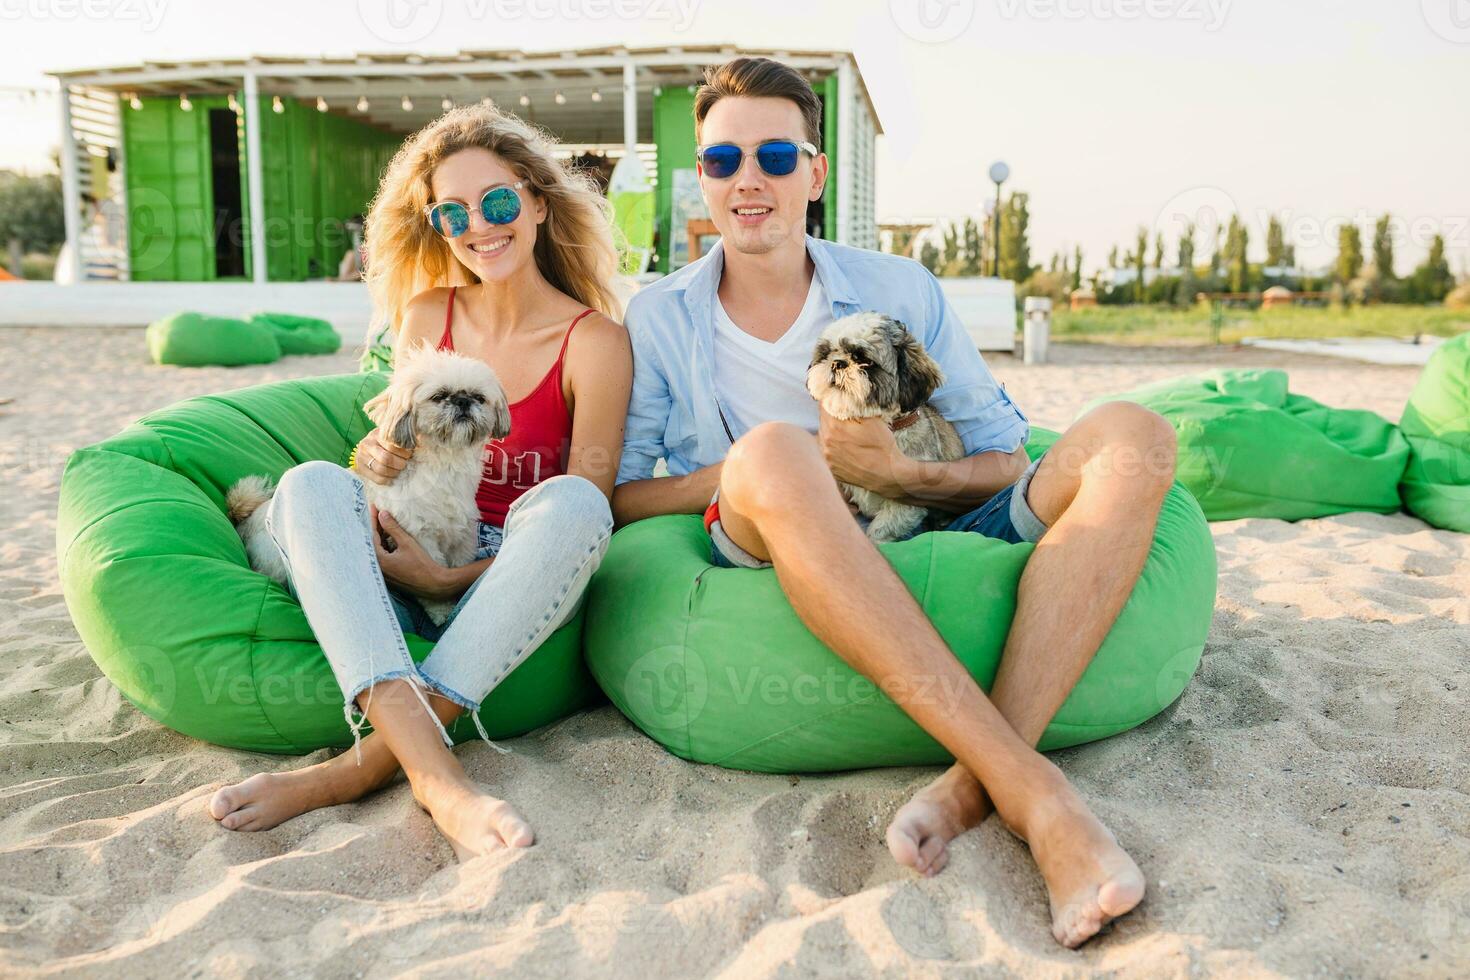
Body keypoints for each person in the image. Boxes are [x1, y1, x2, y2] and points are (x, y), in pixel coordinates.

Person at [611, 57, 1176, 948]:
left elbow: (1002, 451)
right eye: (722, 161)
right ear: (703, 180)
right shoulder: (658, 316)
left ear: (816, 172)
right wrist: (770, 466)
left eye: (774, 155)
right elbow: (623, 495)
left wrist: (911, 478)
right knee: (770, 450)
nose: (747, 180)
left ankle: (971, 781)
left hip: (932, 503)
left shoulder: (901, 287)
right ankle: (1042, 800)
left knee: (1135, 433)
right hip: (772, 532)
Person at [210, 104, 633, 859]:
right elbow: (383, 456)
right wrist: (371, 458)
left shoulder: (594, 339)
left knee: (572, 503)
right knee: (309, 483)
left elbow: (590, 507)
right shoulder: (426, 313)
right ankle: (434, 770)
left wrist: (449, 578)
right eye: (452, 212)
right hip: (403, 537)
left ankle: (370, 769)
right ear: (436, 225)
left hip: (507, 561)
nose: (480, 224)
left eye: (499, 201)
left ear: (537, 202)